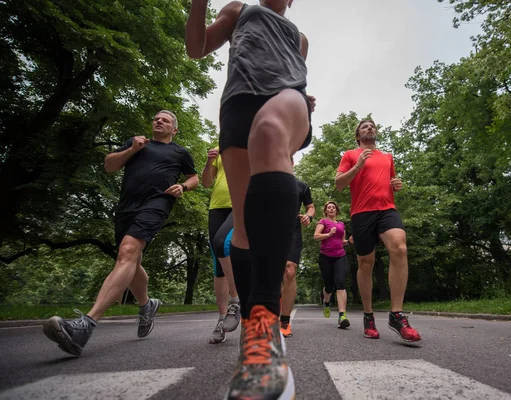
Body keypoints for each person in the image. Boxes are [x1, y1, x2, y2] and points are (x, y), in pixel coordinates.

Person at [186, 0, 314, 398]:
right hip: (237, 106)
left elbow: (297, 74)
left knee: (271, 130)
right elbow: (196, 47)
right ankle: (257, 341)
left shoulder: (299, 36)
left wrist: (307, 110)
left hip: (286, 99)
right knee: (241, 231)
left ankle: (264, 318)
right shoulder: (238, 10)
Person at [43, 110, 199, 356]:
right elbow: (109, 166)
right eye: (155, 118)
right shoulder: (136, 143)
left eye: (165, 120)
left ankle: (85, 324)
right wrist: (132, 150)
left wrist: (183, 186)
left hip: (158, 203)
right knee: (132, 260)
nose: (158, 121)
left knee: (127, 252)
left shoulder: (179, 152)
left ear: (174, 129)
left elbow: (194, 177)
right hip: (126, 207)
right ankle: (147, 305)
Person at [335, 119, 421, 343]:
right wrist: (358, 166)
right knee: (366, 263)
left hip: (387, 209)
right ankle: (368, 315)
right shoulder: (350, 155)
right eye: (364, 126)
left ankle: (396, 315)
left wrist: (396, 184)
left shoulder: (387, 157)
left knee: (400, 248)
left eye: (372, 125)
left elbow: (390, 180)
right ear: (358, 136)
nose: (369, 128)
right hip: (362, 213)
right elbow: (339, 184)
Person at [202, 147, 241, 344]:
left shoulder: (254, 138)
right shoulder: (219, 147)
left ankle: (236, 300)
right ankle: (221, 318)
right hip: (217, 206)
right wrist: (209, 162)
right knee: (218, 266)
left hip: (241, 202)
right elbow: (207, 182)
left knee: (221, 244)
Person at [280, 174, 315, 338]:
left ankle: (284, 320)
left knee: (290, 270)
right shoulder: (265, 179)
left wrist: (309, 215)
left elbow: (310, 206)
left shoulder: (302, 185)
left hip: (292, 227)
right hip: (267, 227)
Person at [313, 201, 351, 329]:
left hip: (340, 256)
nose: (331, 209)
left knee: (340, 282)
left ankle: (342, 316)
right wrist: (328, 234)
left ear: (336, 210)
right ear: (325, 211)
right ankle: (327, 302)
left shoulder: (341, 224)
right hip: (326, 257)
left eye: (333, 207)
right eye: (328, 207)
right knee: (329, 286)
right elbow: (316, 236)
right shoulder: (323, 221)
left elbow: (341, 242)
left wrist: (349, 242)